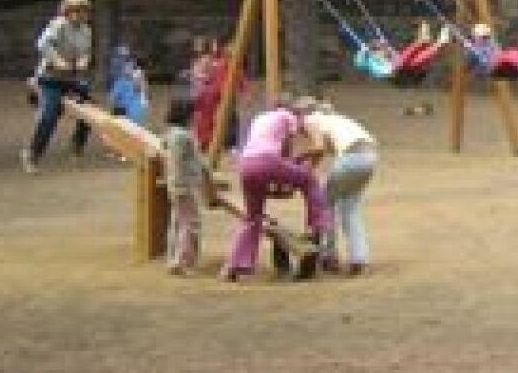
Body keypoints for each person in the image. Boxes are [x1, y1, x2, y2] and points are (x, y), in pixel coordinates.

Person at [219, 97, 331, 283]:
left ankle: (234, 265)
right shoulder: (289, 116)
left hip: (246, 165)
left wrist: (280, 181)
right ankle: (317, 224)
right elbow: (285, 150)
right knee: (310, 180)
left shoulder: (260, 118)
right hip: (267, 161)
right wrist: (290, 174)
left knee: (253, 218)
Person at [22, 0, 96, 173]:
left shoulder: (86, 30)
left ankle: (76, 148)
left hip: (71, 78)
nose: (81, 15)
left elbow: (85, 52)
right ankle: (32, 155)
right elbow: (43, 44)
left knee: (90, 110)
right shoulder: (58, 25)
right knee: (49, 116)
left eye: (84, 11)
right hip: (50, 78)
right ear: (68, 11)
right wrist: (57, 60)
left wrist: (84, 60)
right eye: (77, 11)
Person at [302, 103, 379, 276]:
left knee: (324, 204)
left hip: (351, 158)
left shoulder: (311, 119)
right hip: (370, 157)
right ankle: (359, 259)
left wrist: (303, 168)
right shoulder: (337, 119)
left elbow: (319, 149)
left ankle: (328, 256)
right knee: (351, 209)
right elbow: (328, 149)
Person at [162, 94, 219, 276]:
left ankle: (174, 259)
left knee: (178, 222)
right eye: (194, 113)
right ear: (185, 114)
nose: (196, 116)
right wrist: (182, 184)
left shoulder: (172, 134)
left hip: (178, 184)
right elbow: (181, 161)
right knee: (191, 224)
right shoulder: (182, 136)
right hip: (183, 186)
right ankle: (183, 262)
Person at [107, 43, 150, 127]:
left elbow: (141, 88)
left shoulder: (135, 75)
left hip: (132, 108)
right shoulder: (122, 79)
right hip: (127, 108)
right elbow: (112, 98)